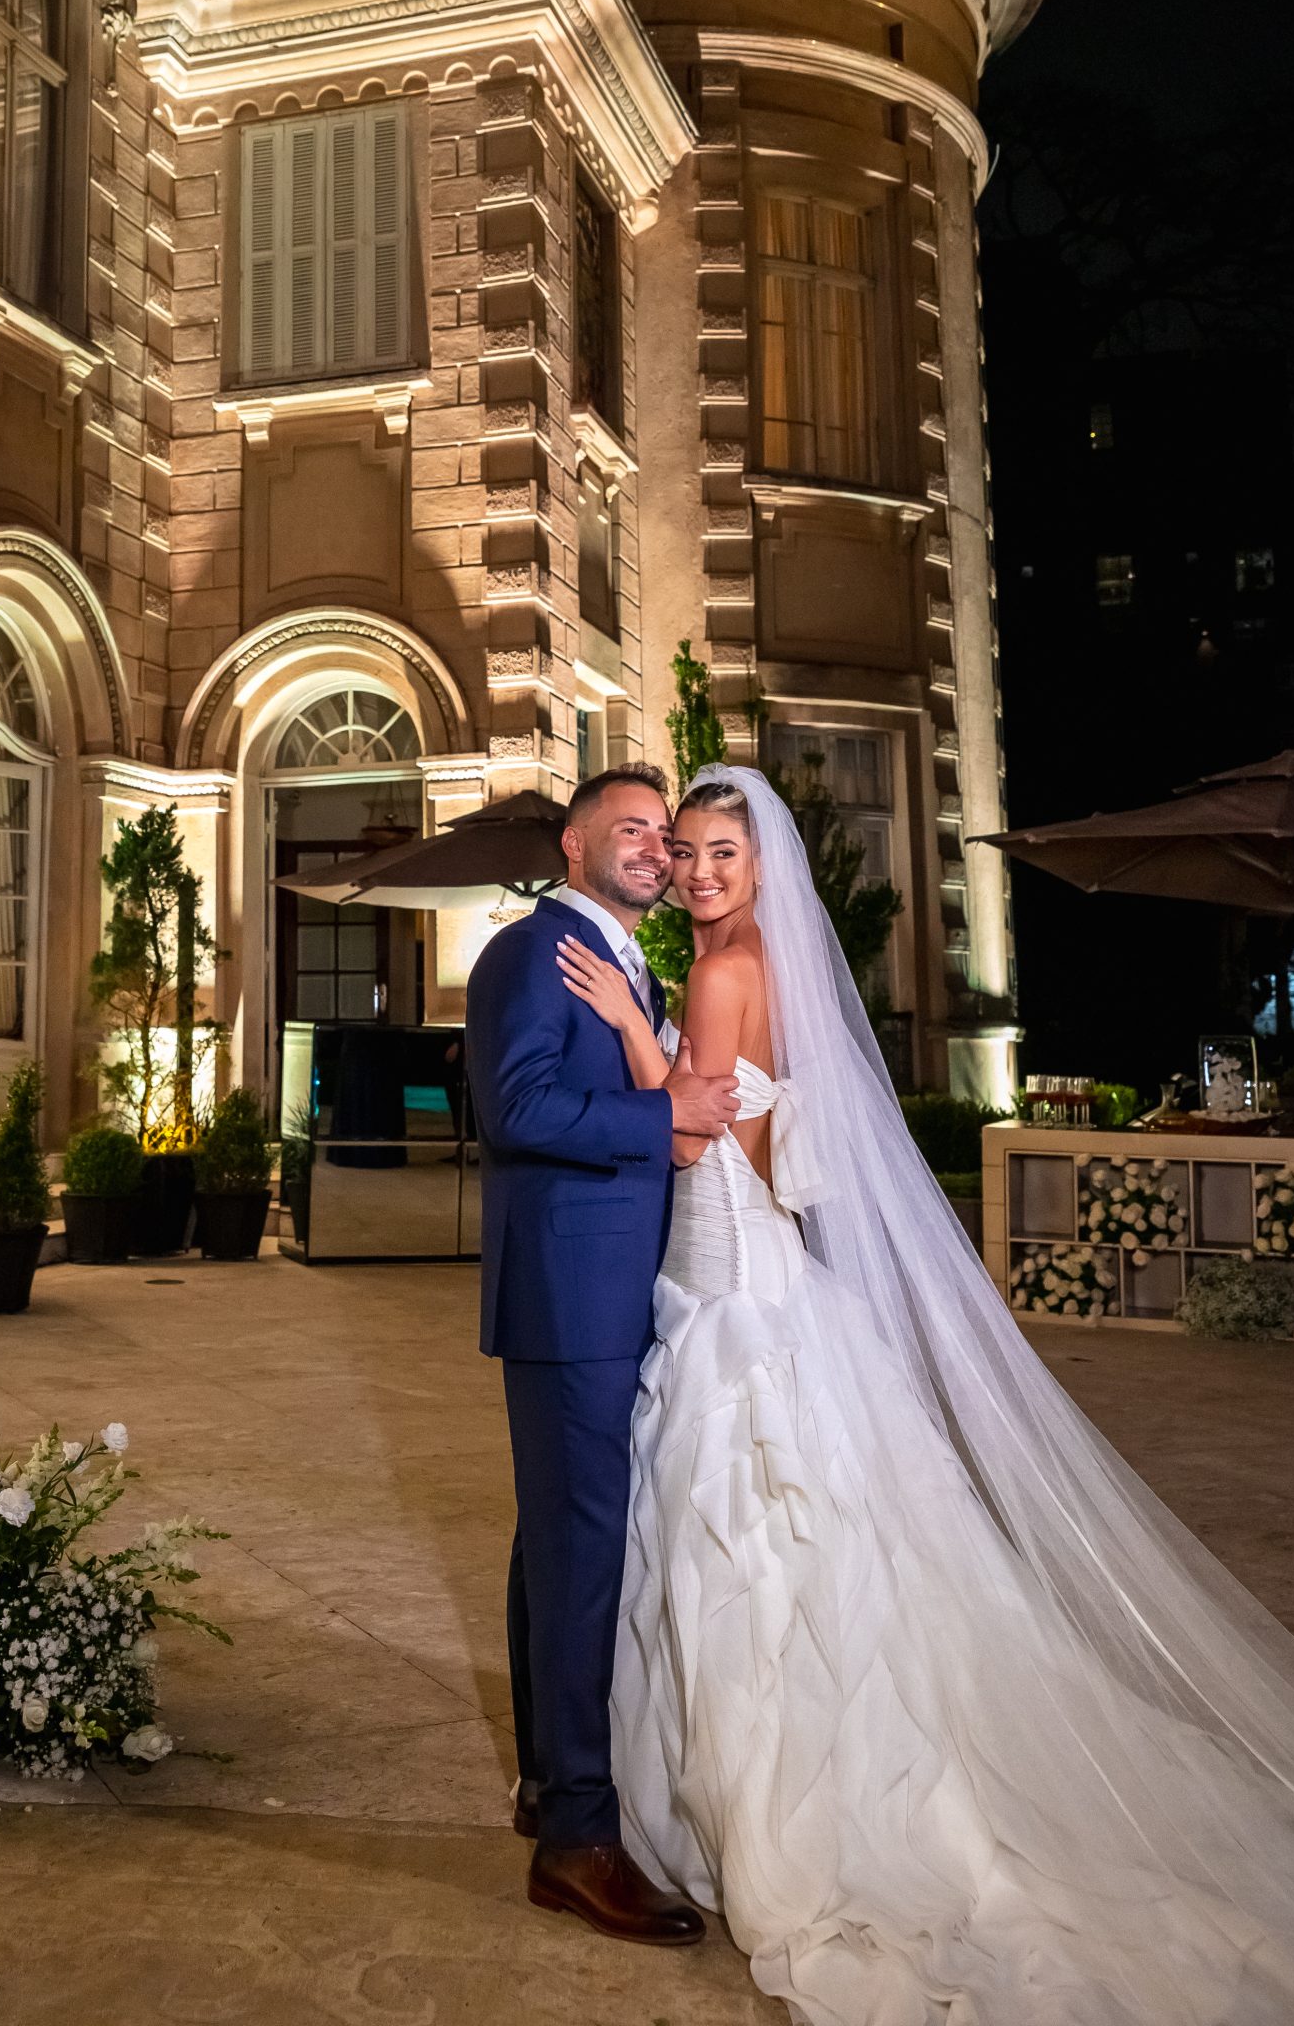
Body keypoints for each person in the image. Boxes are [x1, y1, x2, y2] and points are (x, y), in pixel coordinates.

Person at [555, 766, 1294, 2026]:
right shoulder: (762, 963)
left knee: (756, 1563)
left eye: (720, 854)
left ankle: (775, 1820)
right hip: (746, 1285)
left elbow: (702, 1136)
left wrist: (634, 1033)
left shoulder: (717, 971)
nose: (698, 870)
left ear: (761, 874)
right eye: (686, 850)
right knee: (798, 1572)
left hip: (734, 1301)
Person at [464, 763, 739, 1946]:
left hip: (612, 1290)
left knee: (559, 1541)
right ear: (572, 847)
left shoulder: (633, 963)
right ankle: (580, 1835)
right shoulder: (532, 953)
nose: (651, 847)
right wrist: (668, 1113)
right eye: (626, 829)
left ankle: (544, 1784)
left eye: (659, 835)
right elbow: (515, 1109)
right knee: (581, 1550)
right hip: (571, 1296)